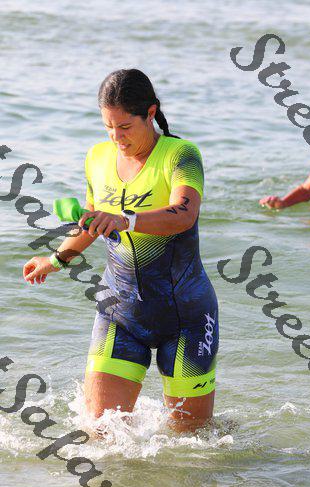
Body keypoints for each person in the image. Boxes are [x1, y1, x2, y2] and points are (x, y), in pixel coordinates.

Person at [23, 68, 218, 432]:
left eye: (125, 126)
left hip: (187, 317)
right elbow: (93, 222)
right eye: (108, 127)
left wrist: (125, 219)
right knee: (100, 431)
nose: (116, 137)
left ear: (150, 113)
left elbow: (184, 214)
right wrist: (56, 259)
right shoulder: (97, 157)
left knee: (196, 444)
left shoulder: (181, 155)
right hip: (120, 312)